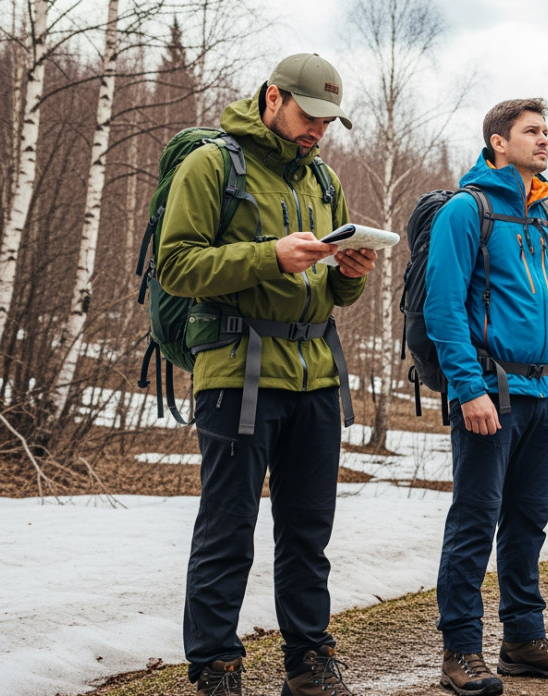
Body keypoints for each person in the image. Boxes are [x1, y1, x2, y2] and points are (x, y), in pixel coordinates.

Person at [157, 53, 376, 696]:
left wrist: (347, 276)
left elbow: (332, 296)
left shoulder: (324, 180)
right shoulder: (211, 164)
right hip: (236, 373)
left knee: (308, 533)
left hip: (315, 377)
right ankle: (217, 667)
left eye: (329, 121)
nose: (318, 130)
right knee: (229, 528)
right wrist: (269, 257)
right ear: (273, 98)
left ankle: (309, 661)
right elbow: (177, 266)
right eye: (309, 116)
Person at [424, 98, 548, 695]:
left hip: (546, 392)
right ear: (498, 143)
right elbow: (443, 309)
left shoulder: (546, 216)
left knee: (529, 521)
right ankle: (461, 651)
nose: (544, 140)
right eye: (531, 131)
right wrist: (468, 389)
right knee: (475, 520)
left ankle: (523, 639)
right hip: (491, 395)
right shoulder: (466, 210)